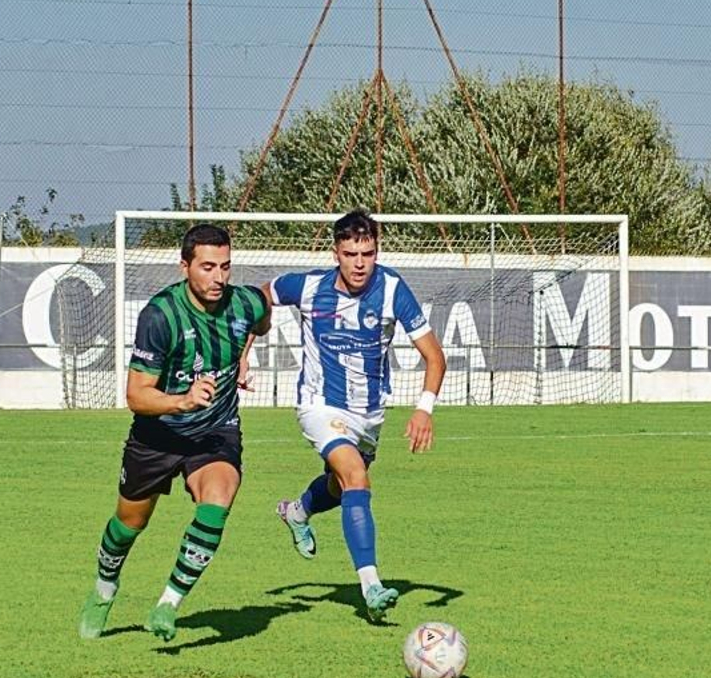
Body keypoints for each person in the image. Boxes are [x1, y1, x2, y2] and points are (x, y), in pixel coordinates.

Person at [77, 224, 270, 643]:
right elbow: (136, 395)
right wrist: (182, 400)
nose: (218, 277)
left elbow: (264, 311)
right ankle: (104, 589)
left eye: (225, 267)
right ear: (185, 267)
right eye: (206, 267)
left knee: (218, 500)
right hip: (158, 436)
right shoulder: (161, 315)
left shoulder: (245, 303)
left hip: (215, 432)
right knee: (128, 525)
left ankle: (168, 604)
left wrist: (243, 355)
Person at [265, 210, 446, 623]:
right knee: (355, 477)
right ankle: (372, 587)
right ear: (336, 253)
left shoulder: (392, 288)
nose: (360, 263)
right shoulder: (308, 287)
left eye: (368, 253)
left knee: (340, 484)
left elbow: (435, 357)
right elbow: (260, 297)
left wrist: (424, 409)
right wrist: (240, 352)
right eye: (351, 254)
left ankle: (296, 511)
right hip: (319, 403)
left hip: (370, 413)